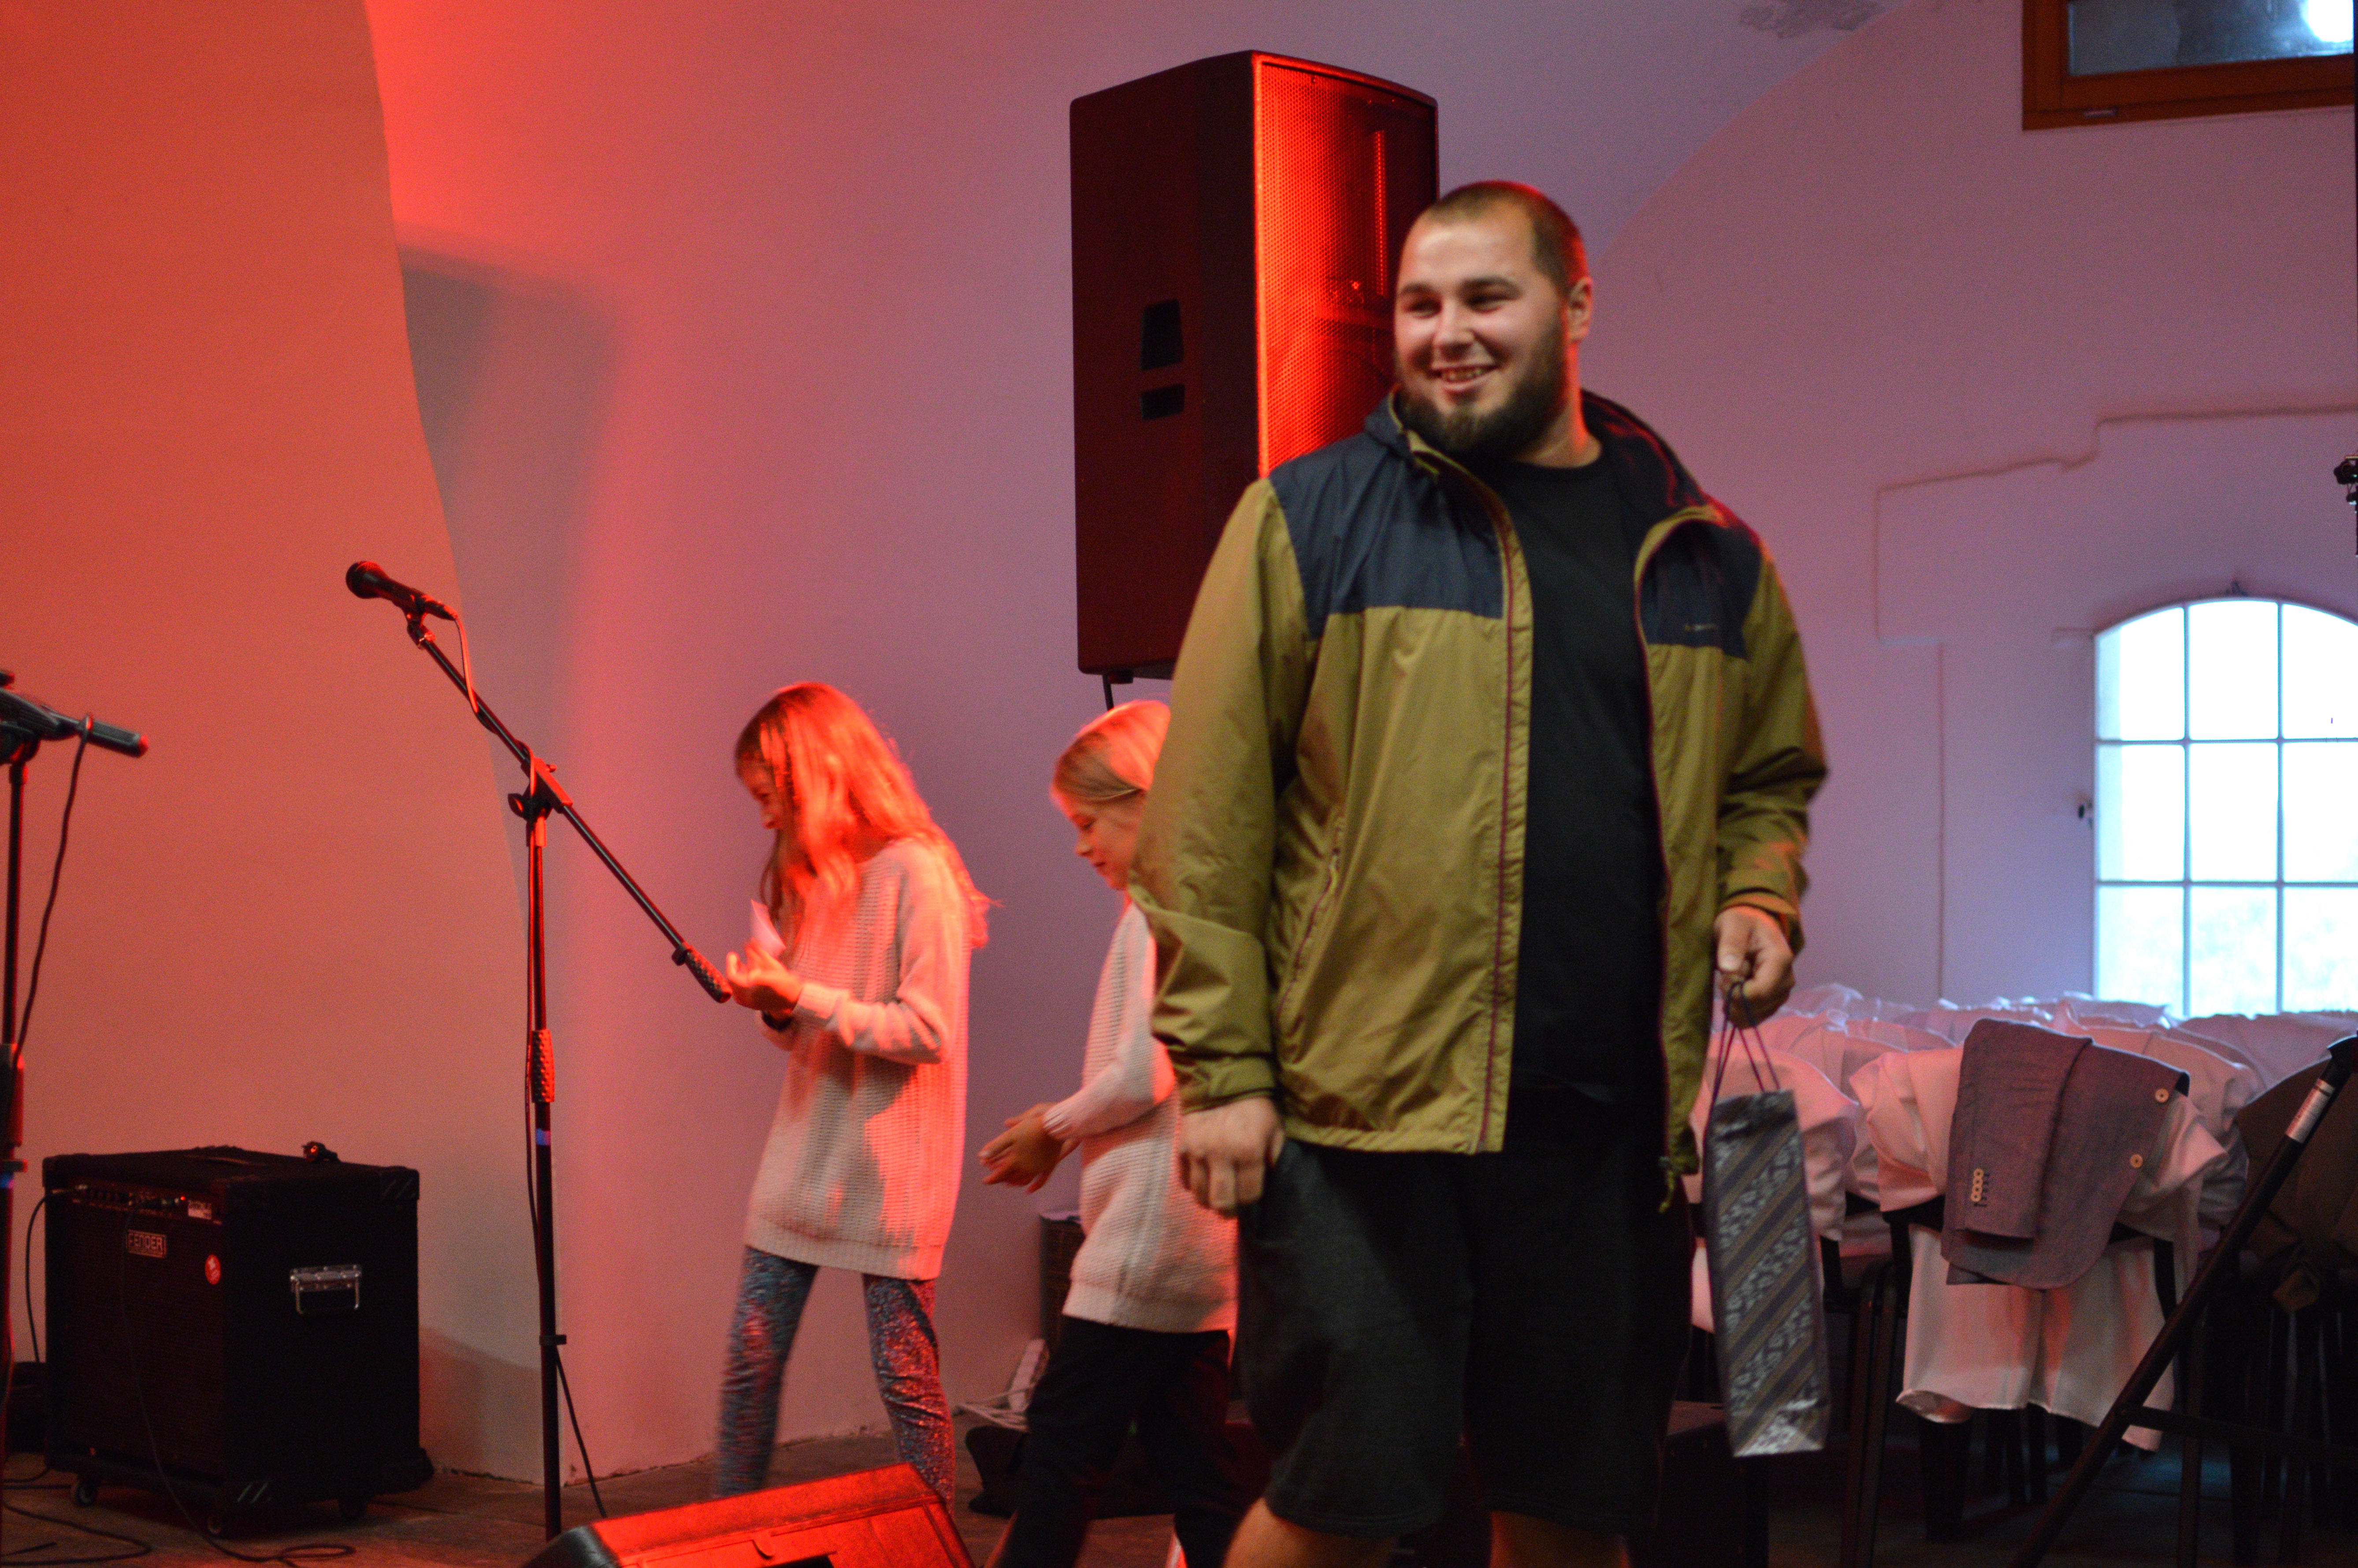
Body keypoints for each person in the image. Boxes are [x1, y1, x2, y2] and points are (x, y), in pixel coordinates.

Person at [1131, 182, 1827, 1568]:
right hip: (1361, 1127)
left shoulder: (1707, 549)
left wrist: (1761, 891)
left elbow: (1765, 775)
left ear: (1575, 306)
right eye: (1419, 304)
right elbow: (1207, 821)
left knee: (1574, 1513)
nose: (1446, 332)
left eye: (1484, 298)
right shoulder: (1305, 520)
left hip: (1606, 1135)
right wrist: (1223, 1071)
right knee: (1337, 1503)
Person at [977, 700, 1248, 1568]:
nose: (1080, 846)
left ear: (1146, 800)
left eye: (1089, 823)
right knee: (1198, 1472)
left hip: (1145, 1240)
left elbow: (1143, 1073)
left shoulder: (1158, 911)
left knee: (1061, 1454)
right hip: (1199, 1246)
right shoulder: (1214, 904)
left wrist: (1052, 1128)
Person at [713, 682, 988, 1504]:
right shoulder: (813, 876)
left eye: (769, 796)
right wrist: (774, 1003)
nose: (764, 817)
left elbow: (927, 1030)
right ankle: (732, 1539)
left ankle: (932, 1549)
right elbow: (806, 1026)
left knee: (905, 1375)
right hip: (806, 1153)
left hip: (892, 1170)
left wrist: (798, 996)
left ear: (813, 777)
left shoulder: (918, 872)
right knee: (751, 1359)